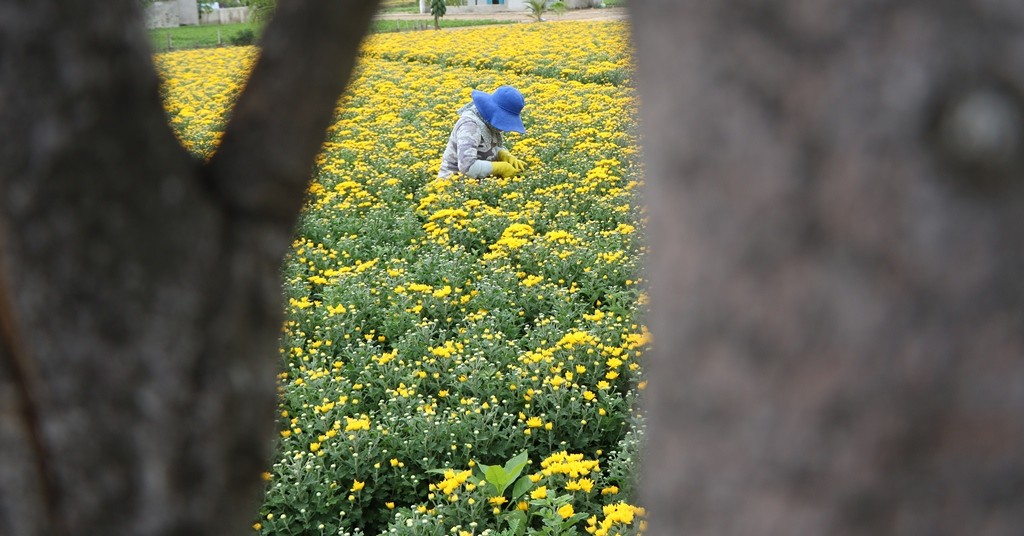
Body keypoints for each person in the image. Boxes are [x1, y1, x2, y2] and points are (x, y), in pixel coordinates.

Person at [438, 85, 528, 179]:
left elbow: (485, 147)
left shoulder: (487, 122)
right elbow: (467, 166)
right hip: (453, 185)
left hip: (477, 183)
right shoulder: (469, 126)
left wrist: (502, 153)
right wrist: (501, 168)